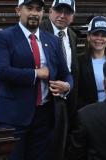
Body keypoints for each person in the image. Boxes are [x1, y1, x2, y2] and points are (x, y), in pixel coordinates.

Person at [0, 0, 73, 159]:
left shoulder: (52, 40)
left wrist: (67, 86)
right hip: (13, 117)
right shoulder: (4, 36)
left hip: (44, 115)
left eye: (38, 9)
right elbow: (1, 72)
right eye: (29, 8)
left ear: (43, 12)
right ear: (18, 10)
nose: (34, 13)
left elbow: (66, 73)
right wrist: (36, 74)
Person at [39, 1, 78, 159]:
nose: (62, 16)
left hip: (66, 103)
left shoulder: (72, 35)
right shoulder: (38, 30)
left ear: (73, 17)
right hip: (43, 104)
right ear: (50, 11)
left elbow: (71, 70)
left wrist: (68, 86)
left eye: (67, 12)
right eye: (58, 10)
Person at [77, 16, 106, 108]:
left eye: (104, 35)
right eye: (95, 34)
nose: (99, 38)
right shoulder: (79, 61)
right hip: (89, 112)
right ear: (88, 37)